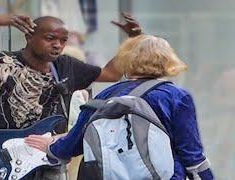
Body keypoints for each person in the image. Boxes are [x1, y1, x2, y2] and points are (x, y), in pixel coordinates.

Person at [0, 12, 141, 179]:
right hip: (1, 158)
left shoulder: (66, 66)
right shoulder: (1, 63)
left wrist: (133, 40)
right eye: (50, 38)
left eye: (63, 41)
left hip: (48, 161)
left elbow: (112, 74)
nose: (57, 45)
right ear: (29, 37)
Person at [25, 34, 215, 179]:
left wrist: (50, 147)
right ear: (168, 61)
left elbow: (71, 145)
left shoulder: (106, 95)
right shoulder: (177, 97)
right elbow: (192, 156)